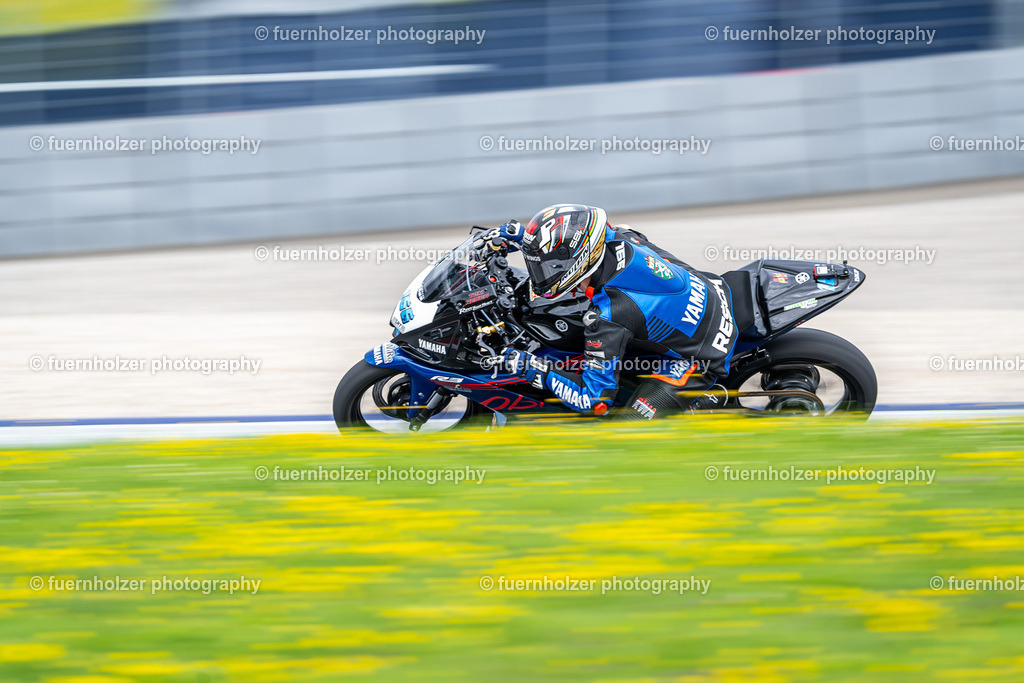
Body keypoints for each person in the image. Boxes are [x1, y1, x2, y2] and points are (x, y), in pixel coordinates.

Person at [496, 203, 738, 420]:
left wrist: (535, 368)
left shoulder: (609, 315)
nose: (542, 271)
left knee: (625, 434)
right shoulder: (618, 236)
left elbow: (593, 401)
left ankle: (705, 402)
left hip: (702, 357)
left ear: (579, 262)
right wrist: (524, 238)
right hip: (712, 290)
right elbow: (572, 238)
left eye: (548, 266)